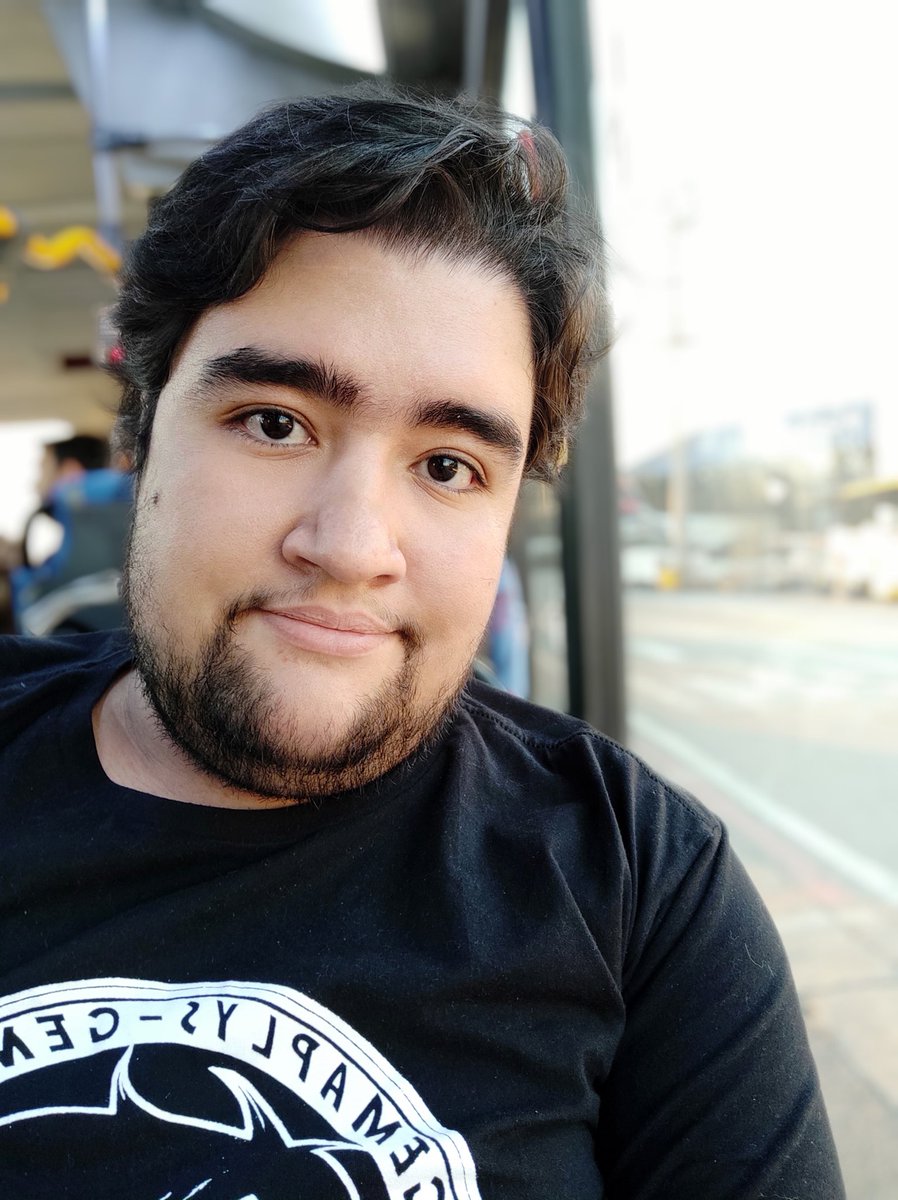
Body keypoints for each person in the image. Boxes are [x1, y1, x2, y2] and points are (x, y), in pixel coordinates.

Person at [0, 89, 844, 1198]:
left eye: (449, 466)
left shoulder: (638, 885)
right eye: (274, 423)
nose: (351, 547)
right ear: (146, 431)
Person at [10, 434, 133, 635]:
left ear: (69, 470)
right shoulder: (118, 515)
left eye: (42, 469)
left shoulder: (76, 505)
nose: (35, 483)